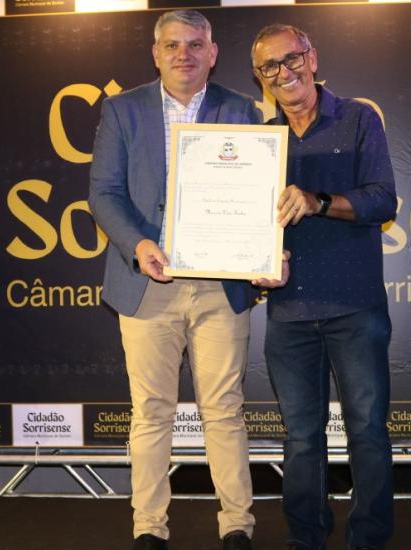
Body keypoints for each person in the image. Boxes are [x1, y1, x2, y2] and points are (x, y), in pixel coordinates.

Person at [89, 10, 285, 550]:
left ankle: (237, 525)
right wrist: (139, 244)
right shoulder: (123, 109)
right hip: (147, 282)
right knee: (150, 411)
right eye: (172, 45)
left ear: (212, 52)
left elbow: (261, 193)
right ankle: (149, 527)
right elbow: (104, 193)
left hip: (221, 284)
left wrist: (262, 249)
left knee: (224, 409)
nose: (184, 54)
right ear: (156, 53)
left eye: (195, 44)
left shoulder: (242, 110)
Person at [250, 24, 398, 550]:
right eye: (270, 66)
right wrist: (255, 261)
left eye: (292, 58)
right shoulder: (260, 142)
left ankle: (369, 538)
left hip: (355, 307)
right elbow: (247, 223)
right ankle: (306, 537)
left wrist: (318, 201)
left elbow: (382, 200)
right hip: (288, 311)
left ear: (312, 58)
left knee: (367, 431)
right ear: (261, 78)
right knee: (300, 438)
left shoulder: (358, 118)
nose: (284, 72)